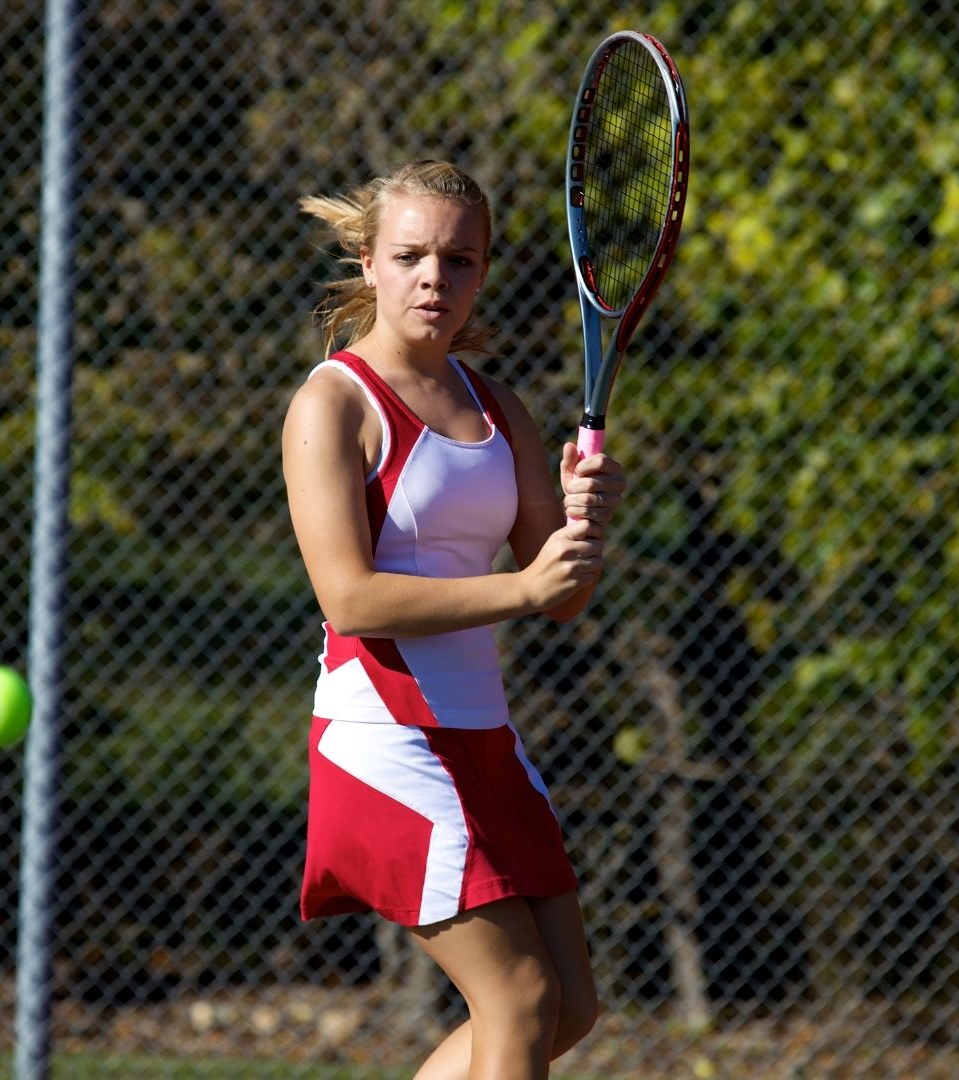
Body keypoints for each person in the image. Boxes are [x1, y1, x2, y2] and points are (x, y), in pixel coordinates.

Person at [282, 159, 626, 1079]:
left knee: (567, 1006)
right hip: (382, 738)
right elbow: (349, 599)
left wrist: (585, 520)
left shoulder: (495, 405)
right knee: (516, 999)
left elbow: (567, 596)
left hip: (484, 739)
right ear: (368, 263)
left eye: (460, 260)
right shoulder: (334, 402)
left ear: (483, 271)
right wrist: (523, 589)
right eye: (411, 256)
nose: (435, 277)